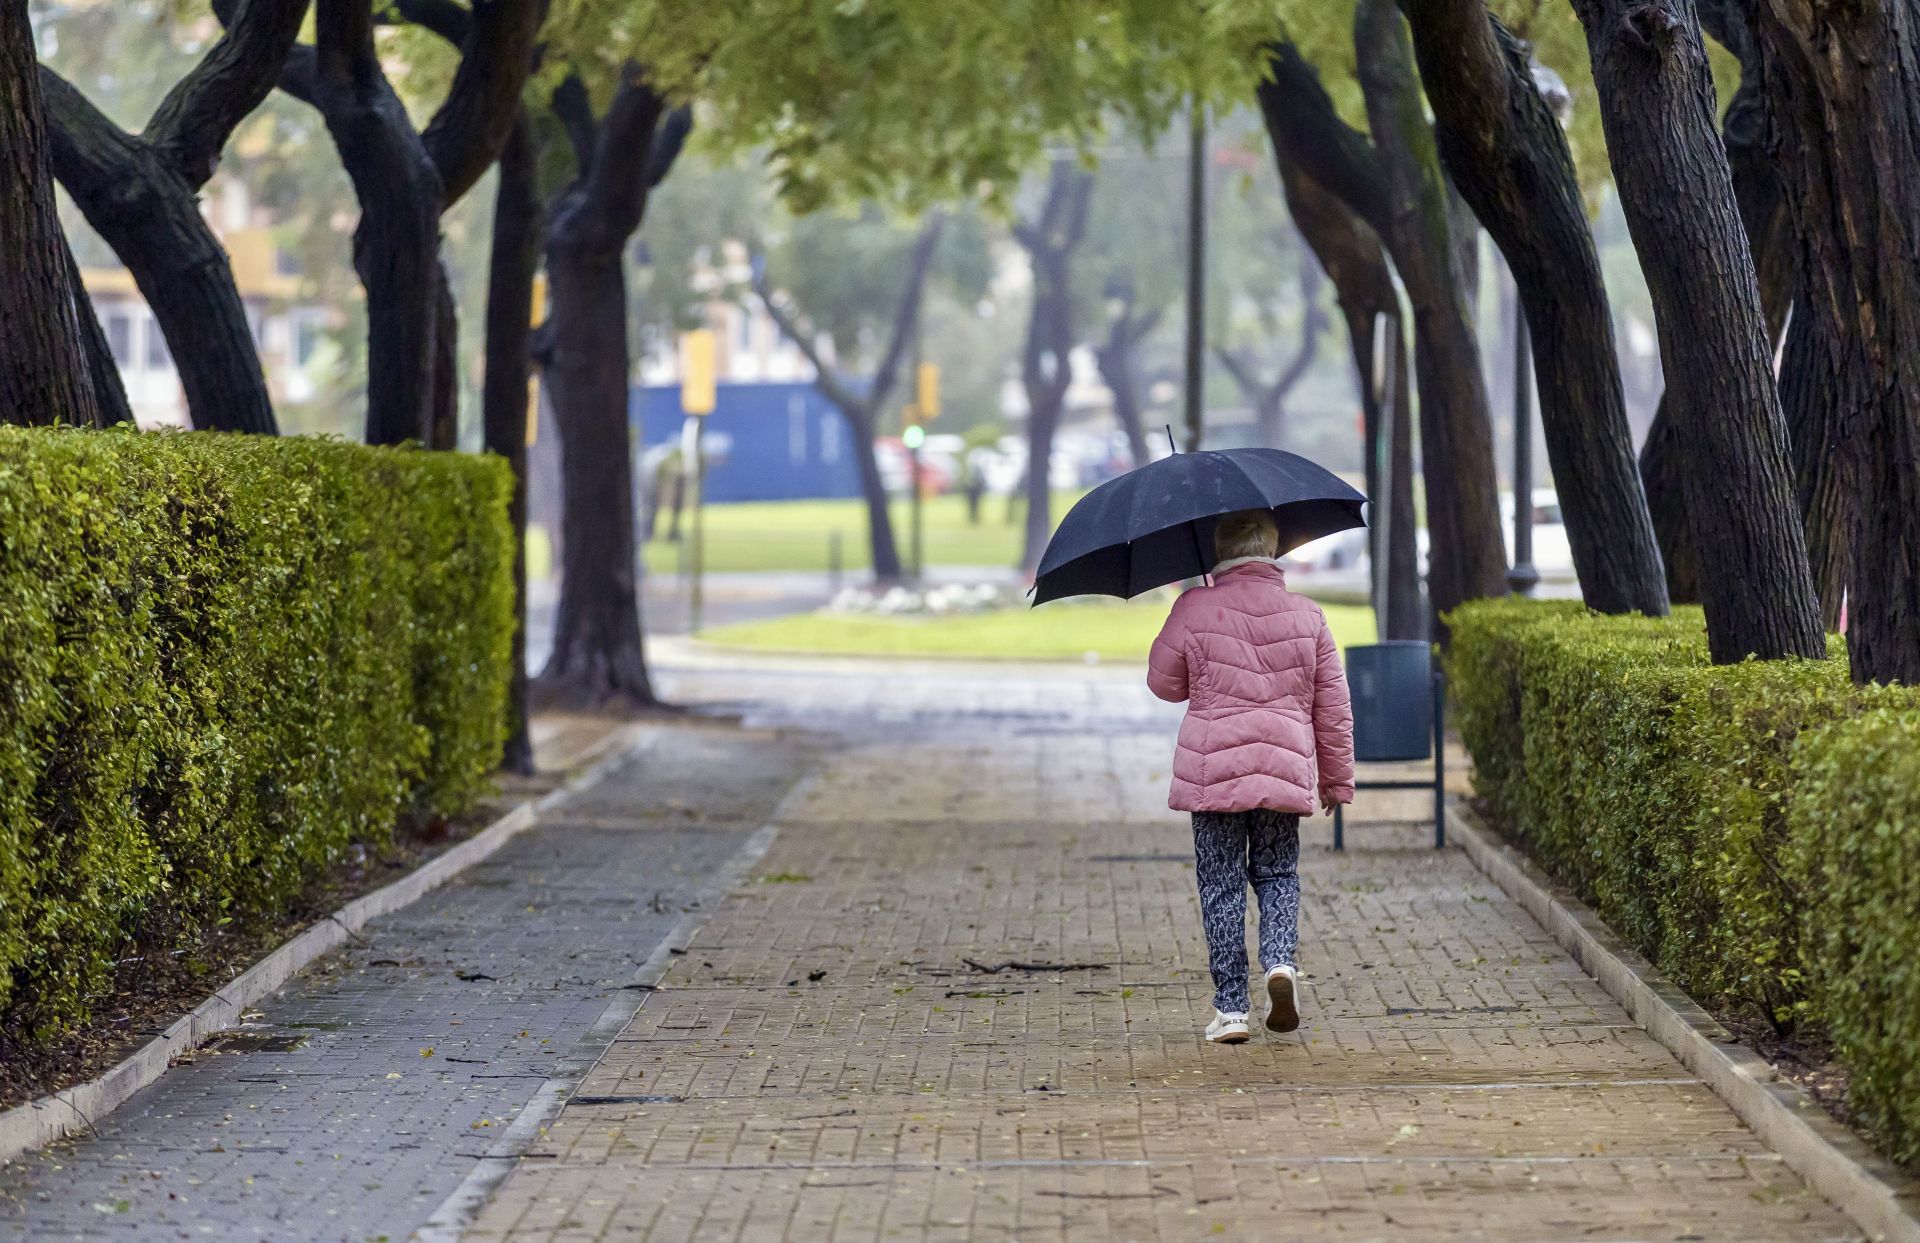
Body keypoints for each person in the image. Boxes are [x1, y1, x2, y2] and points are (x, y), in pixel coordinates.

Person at [1147, 509, 1355, 1044]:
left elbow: (1165, 684)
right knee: (1278, 873)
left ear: (1221, 551)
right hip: (1283, 770)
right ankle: (1280, 964)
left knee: (1220, 885)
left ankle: (1231, 1008)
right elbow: (1332, 707)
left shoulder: (1194, 606)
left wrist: (1195, 626)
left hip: (1215, 771)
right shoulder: (1308, 615)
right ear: (1273, 549)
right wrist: (1335, 780)